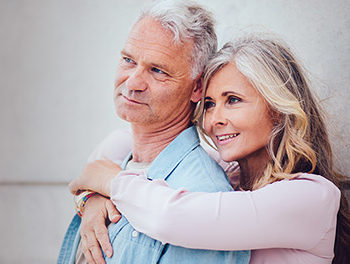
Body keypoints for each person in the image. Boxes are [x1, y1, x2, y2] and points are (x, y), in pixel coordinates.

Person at [69, 34, 350, 264]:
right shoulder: (227, 175)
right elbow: (124, 140)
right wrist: (92, 198)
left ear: (278, 109)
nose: (215, 120)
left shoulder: (312, 197)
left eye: (234, 100)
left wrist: (110, 180)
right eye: (211, 104)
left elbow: (173, 217)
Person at [58, 1, 251, 264]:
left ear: (197, 88)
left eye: (157, 70)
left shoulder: (201, 197)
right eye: (128, 60)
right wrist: (90, 196)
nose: (133, 83)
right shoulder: (117, 158)